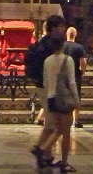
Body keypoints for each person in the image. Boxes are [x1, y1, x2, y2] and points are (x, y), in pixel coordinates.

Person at [35, 34, 79, 172]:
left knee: (57, 129)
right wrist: (77, 100)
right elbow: (71, 82)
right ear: (62, 45)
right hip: (64, 99)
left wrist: (47, 100)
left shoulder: (47, 60)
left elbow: (46, 81)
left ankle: (42, 149)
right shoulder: (68, 59)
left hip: (51, 98)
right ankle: (62, 161)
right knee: (65, 132)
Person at [29, 14, 66, 166]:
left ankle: (46, 154)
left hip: (42, 85)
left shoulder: (42, 42)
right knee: (56, 125)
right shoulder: (51, 45)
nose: (63, 30)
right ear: (55, 28)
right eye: (61, 27)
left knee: (51, 123)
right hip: (49, 87)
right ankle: (40, 148)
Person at [63, 26, 87, 128]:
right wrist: (83, 71)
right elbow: (83, 62)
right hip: (75, 75)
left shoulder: (61, 46)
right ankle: (75, 121)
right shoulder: (79, 47)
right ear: (75, 35)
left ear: (66, 34)